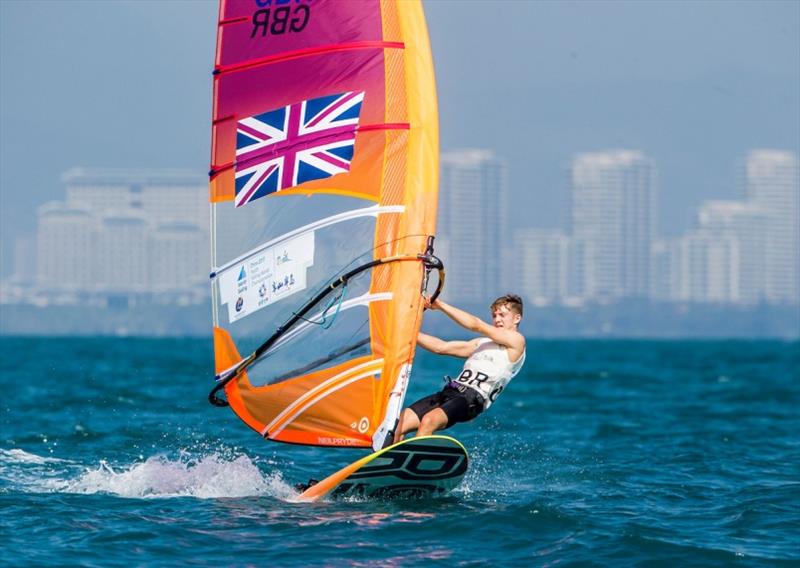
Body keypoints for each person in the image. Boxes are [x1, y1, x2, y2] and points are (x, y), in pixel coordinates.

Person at [393, 294, 526, 444]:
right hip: (450, 391)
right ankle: (387, 463)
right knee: (397, 425)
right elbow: (441, 347)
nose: (497, 319)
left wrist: (441, 305)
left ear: (517, 318)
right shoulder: (481, 343)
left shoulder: (517, 342)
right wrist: (407, 333)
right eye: (494, 315)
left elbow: (477, 325)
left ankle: (418, 462)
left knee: (428, 421)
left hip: (471, 400)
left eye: (502, 315)